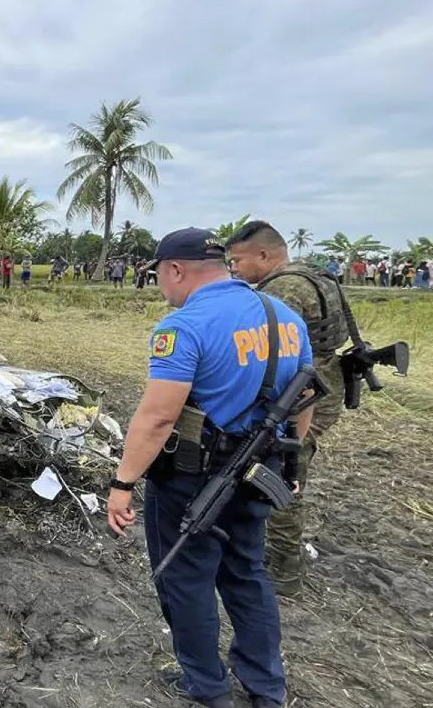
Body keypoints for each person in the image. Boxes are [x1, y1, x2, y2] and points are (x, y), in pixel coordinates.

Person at [107, 228, 313, 708]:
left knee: (185, 577)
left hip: (190, 477)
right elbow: (305, 396)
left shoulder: (183, 326)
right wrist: (290, 455)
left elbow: (157, 417)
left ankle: (207, 686)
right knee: (247, 573)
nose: (160, 286)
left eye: (158, 275)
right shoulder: (284, 317)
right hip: (261, 472)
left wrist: (122, 484)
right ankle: (267, 686)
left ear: (175, 269)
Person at [226, 221, 351, 597]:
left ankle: (282, 569)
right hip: (320, 387)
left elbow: (268, 352)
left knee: (282, 475)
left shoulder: (283, 290)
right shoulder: (317, 277)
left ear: (264, 255)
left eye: (238, 261)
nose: (233, 269)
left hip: (299, 398)